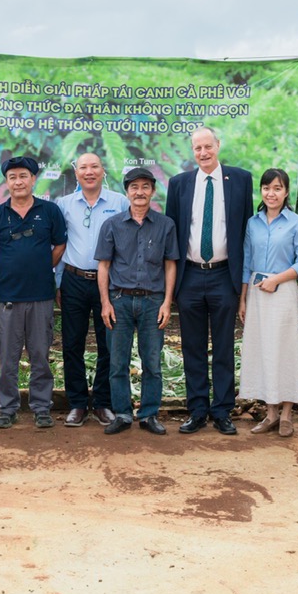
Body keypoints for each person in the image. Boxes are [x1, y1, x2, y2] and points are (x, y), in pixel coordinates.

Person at [165, 126, 253, 435]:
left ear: (218, 145)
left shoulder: (240, 180)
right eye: (197, 148)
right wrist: (172, 284)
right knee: (193, 346)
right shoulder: (179, 184)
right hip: (189, 276)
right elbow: (172, 235)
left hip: (223, 275)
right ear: (192, 152)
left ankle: (222, 410)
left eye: (207, 146)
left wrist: (242, 284)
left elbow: (245, 231)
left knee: (224, 345)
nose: (203, 153)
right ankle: (198, 409)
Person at [0, 156, 67, 429]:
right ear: (7, 182)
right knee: (8, 357)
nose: (18, 181)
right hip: (8, 297)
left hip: (41, 296)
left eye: (23, 176)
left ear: (33, 179)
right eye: (12, 177)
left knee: (40, 355)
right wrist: (8, 271)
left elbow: (59, 245)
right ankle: (7, 408)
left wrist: (42, 268)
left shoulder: (50, 211)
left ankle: (42, 407)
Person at [94, 166, 179, 435]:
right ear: (127, 192)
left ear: (153, 191)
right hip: (119, 301)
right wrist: (105, 303)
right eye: (134, 187)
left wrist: (167, 303)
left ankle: (149, 414)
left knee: (152, 362)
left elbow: (170, 265)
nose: (139, 192)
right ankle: (122, 414)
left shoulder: (166, 225)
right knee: (117, 362)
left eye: (145, 187)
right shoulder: (113, 225)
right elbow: (104, 266)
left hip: (153, 302)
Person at [55, 152, 127, 426]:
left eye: (94, 166)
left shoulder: (119, 203)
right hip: (73, 280)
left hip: (108, 283)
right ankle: (76, 403)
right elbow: (60, 246)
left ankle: (102, 402)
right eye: (83, 167)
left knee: (108, 344)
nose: (89, 172)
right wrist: (59, 282)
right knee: (72, 343)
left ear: (103, 170)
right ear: (76, 173)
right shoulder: (64, 205)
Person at [238, 169, 298, 437]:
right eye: (267, 188)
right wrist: (243, 298)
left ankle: (287, 415)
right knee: (264, 351)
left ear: (286, 192)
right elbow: (246, 262)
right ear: (262, 191)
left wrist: (277, 280)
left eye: (278, 188)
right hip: (257, 293)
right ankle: (270, 414)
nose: (272, 193)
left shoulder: (297, 222)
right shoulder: (252, 223)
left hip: (283, 291)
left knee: (286, 350)